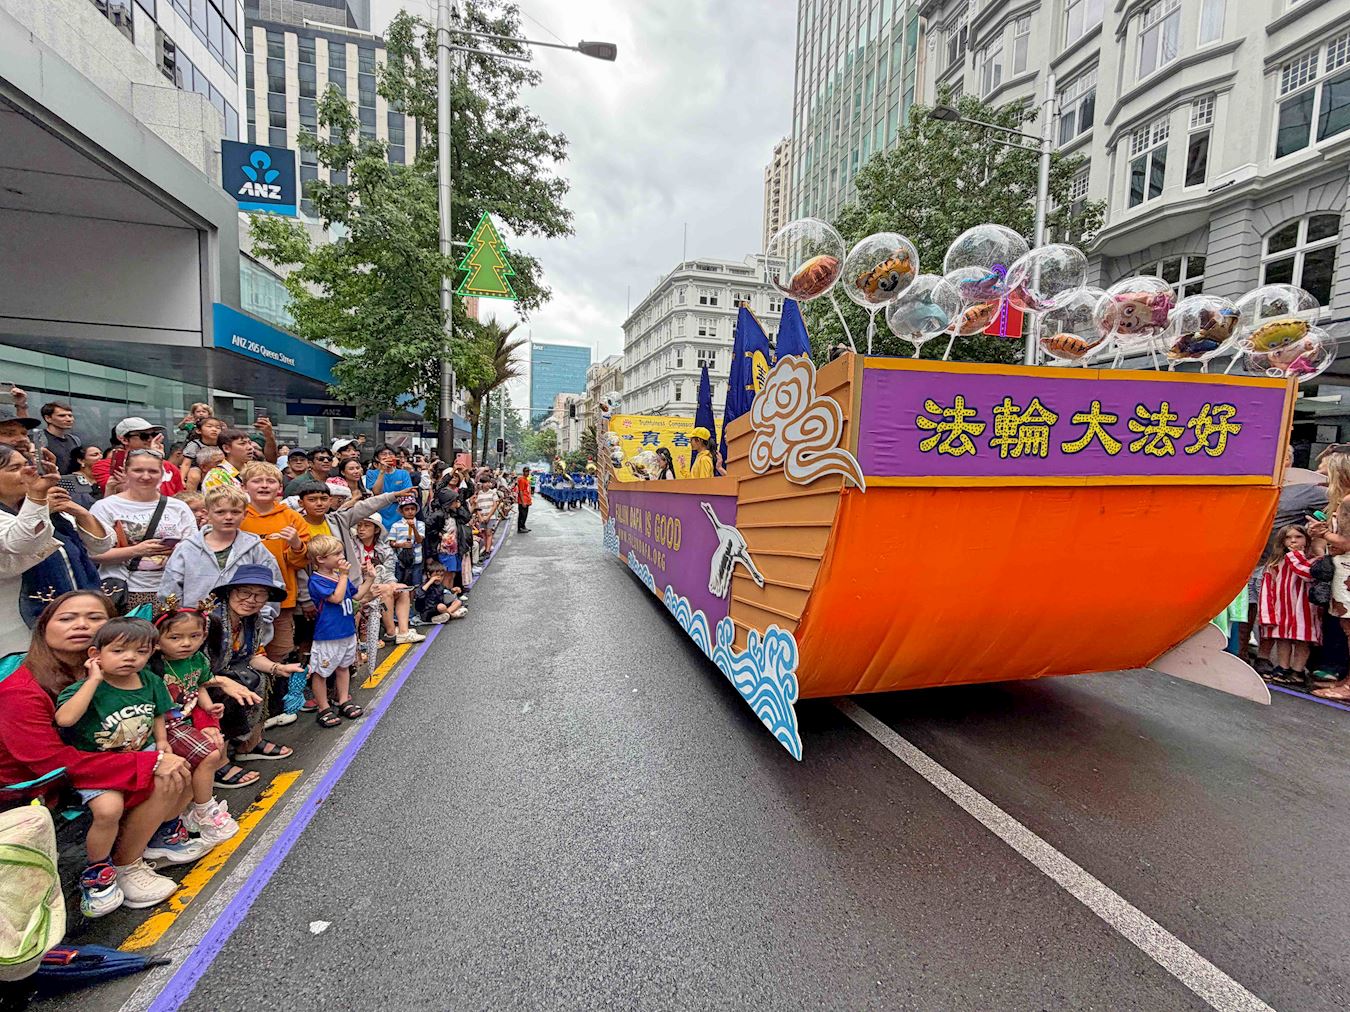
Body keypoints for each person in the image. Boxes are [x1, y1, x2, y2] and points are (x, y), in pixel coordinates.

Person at [0, 592, 194, 918]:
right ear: (43, 627)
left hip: (85, 762)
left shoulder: (104, 671)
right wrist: (151, 761)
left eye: (94, 618)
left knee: (180, 763)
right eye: (67, 618)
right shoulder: (20, 690)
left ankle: (152, 842)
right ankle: (121, 867)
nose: (81, 625)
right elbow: (49, 763)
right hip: (31, 788)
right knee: (159, 773)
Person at [54, 617, 211, 910]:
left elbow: (157, 712)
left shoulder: (150, 680)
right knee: (108, 809)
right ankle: (98, 873)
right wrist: (93, 681)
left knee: (182, 773)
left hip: (142, 750)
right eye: (119, 651)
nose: (130, 658)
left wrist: (161, 741)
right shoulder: (85, 688)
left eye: (141, 652)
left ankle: (161, 835)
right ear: (95, 654)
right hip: (101, 764)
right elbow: (65, 719)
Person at [0, 444, 112, 646]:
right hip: (17, 627)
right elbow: (23, 543)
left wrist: (79, 512)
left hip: (74, 616)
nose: (28, 472)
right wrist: (38, 502)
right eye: (14, 468)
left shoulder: (47, 509)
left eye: (27, 465)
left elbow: (101, 545)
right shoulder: (37, 506)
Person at [152, 606, 245, 836]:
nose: (186, 643)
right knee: (210, 754)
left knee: (214, 747)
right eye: (175, 637)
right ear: (157, 641)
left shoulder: (198, 659)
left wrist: (208, 707)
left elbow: (198, 685)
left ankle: (190, 808)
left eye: (194, 636)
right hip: (166, 724)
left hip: (185, 718)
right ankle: (204, 809)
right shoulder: (153, 668)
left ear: (204, 636)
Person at [201, 565, 297, 767]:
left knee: (261, 677)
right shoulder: (209, 621)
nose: (251, 600)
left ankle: (249, 744)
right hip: (198, 681)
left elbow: (253, 656)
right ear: (230, 592)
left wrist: (278, 668)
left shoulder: (253, 619)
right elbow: (192, 668)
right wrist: (223, 681)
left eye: (260, 595)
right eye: (244, 592)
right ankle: (219, 761)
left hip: (227, 673)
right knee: (232, 689)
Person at [90, 449, 199, 609]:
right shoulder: (105, 507)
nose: (146, 476)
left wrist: (176, 550)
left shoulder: (179, 507)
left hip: (169, 590)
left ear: (162, 474)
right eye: (138, 470)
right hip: (123, 590)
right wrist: (137, 550)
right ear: (126, 472)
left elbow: (194, 549)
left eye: (153, 471)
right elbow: (94, 554)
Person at [158, 485, 284, 612]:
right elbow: (170, 588)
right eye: (220, 512)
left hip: (244, 621)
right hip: (195, 620)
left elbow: (273, 585)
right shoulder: (187, 548)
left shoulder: (255, 548)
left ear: (244, 514)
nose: (228, 517)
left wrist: (263, 617)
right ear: (207, 514)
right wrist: (181, 617)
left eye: (235, 512)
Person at [239, 462, 309, 672]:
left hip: (280, 599)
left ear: (279, 487)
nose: (264, 485)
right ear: (244, 486)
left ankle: (278, 691)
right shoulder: (237, 515)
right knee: (242, 651)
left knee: (280, 651)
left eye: (270, 481)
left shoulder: (291, 517)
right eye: (257, 481)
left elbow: (301, 562)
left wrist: (296, 544)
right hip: (239, 598)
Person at [305, 535, 375, 728]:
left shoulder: (338, 576)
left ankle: (343, 699)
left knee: (343, 667)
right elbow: (336, 598)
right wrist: (344, 575)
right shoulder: (317, 580)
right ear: (321, 559)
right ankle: (323, 707)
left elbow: (356, 595)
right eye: (336, 554)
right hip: (328, 634)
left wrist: (370, 579)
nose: (341, 557)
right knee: (321, 672)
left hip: (347, 631)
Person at [1258, 525, 1320, 687]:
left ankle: (1297, 671)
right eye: (1288, 537)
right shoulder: (1275, 564)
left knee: (1302, 640)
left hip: (1305, 611)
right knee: (1283, 639)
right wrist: (1267, 613)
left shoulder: (1314, 561)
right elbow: (1268, 588)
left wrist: (1295, 555)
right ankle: (1283, 667)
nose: (1293, 541)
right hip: (1282, 609)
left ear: (1307, 540)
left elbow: (1307, 574)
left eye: (1298, 537)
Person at [353, 517, 421, 645]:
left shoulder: (384, 548)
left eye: (366, 526)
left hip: (379, 584)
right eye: (359, 525)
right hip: (360, 588)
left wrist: (393, 583)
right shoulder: (351, 547)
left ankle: (403, 631)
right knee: (386, 590)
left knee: (402, 589)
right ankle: (391, 632)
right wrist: (359, 569)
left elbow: (389, 572)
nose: (361, 529)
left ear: (376, 530)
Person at [94, 419, 184, 497]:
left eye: (153, 435)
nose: (150, 439)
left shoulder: (169, 467)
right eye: (144, 436)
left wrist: (155, 458)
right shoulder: (105, 466)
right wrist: (152, 457)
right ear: (124, 440)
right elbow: (117, 493)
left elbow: (180, 497)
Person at [366, 446, 413, 529]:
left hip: (399, 518)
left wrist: (383, 498)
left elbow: (407, 495)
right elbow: (376, 492)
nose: (388, 456)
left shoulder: (403, 473)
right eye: (383, 454)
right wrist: (382, 471)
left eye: (390, 454)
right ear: (377, 458)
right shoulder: (371, 473)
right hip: (379, 517)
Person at [414, 559, 467, 625]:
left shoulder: (440, 585)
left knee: (458, 602)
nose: (438, 578)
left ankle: (446, 615)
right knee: (441, 606)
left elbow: (446, 591)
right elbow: (419, 594)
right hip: (428, 611)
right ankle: (452, 615)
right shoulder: (425, 585)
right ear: (429, 575)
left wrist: (453, 590)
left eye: (441, 576)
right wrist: (430, 581)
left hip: (440, 608)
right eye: (436, 576)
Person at [389, 496, 425, 589]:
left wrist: (413, 528)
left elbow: (419, 540)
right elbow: (391, 543)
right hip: (400, 560)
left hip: (416, 559)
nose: (410, 511)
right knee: (399, 584)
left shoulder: (420, 524)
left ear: (416, 510)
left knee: (416, 585)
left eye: (412, 509)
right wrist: (401, 545)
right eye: (407, 509)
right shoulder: (396, 525)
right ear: (402, 511)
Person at [38, 401, 80, 474]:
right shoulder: (39, 438)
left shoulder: (75, 440)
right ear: (48, 418)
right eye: (62, 416)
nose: (69, 419)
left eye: (70, 415)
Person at [58, 444, 103, 510]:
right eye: (95, 455)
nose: (100, 457)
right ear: (81, 460)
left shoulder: (104, 479)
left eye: (101, 454)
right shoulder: (68, 481)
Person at [181, 416, 223, 484]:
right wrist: (181, 480)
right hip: (198, 469)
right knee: (194, 475)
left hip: (220, 469)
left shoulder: (223, 445)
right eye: (209, 426)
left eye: (218, 428)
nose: (214, 429)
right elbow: (186, 464)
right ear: (199, 430)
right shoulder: (194, 445)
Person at [515, 466, 533, 532]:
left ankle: (523, 526)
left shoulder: (526, 479)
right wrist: (523, 502)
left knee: (525, 515)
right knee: (522, 515)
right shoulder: (521, 479)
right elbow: (521, 491)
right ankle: (520, 528)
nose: (527, 473)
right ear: (523, 472)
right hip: (523, 501)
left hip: (526, 500)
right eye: (526, 471)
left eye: (528, 471)